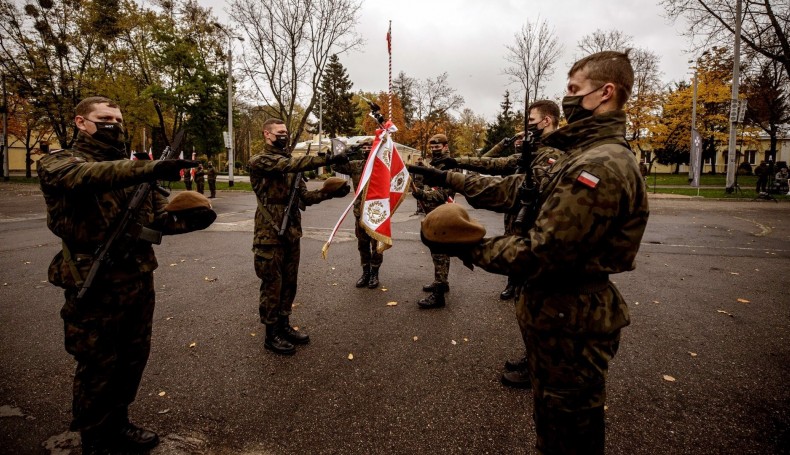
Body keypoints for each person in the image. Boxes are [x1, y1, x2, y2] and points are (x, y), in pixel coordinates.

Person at [410, 50, 649, 454]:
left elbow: (544, 252)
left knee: (568, 433)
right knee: (554, 422)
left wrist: (470, 248)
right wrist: (448, 176)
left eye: (574, 89)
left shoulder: (601, 165)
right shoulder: (579, 154)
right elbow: (518, 189)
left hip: (572, 319)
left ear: (606, 92)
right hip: (555, 313)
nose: (568, 97)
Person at [37, 96, 216, 454]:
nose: (114, 125)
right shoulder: (61, 162)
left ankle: (119, 424)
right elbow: (85, 178)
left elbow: (156, 222)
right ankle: (95, 439)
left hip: (136, 277)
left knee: (132, 358)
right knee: (97, 364)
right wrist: (148, 169)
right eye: (105, 118)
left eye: (118, 119)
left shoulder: (136, 172)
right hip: (93, 278)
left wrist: (194, 219)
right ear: (81, 123)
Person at [433, 100, 562, 390]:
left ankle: (540, 367)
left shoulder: (555, 154)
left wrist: (454, 176)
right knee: (526, 301)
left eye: (532, 119)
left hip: (539, 236)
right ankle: (533, 357)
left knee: (539, 305)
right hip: (525, 231)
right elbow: (498, 164)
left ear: (547, 120)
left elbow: (511, 184)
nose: (527, 125)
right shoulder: (535, 151)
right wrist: (459, 164)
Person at [248, 118, 350, 355]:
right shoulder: (260, 161)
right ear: (267, 134)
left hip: (291, 232)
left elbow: (304, 199)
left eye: (286, 132)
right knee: (272, 284)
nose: (284, 135)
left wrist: (328, 193)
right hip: (269, 233)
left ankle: (284, 324)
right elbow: (287, 165)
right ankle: (270, 333)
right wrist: (327, 158)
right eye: (279, 132)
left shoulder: (292, 167)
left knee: (289, 282)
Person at [332, 137, 386, 289]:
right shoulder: (356, 166)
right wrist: (350, 151)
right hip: (360, 213)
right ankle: (366, 272)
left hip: (377, 214)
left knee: (376, 246)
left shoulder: (382, 166)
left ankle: (375, 273)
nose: (367, 149)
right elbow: (336, 165)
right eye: (365, 147)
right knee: (362, 244)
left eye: (370, 146)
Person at [411, 133, 456, 309]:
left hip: (443, 213)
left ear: (445, 146)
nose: (435, 150)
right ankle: (442, 283)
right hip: (432, 214)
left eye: (438, 147)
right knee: (437, 251)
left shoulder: (449, 165)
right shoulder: (433, 164)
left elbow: (444, 194)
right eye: (432, 147)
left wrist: (423, 194)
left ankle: (438, 295)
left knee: (440, 252)